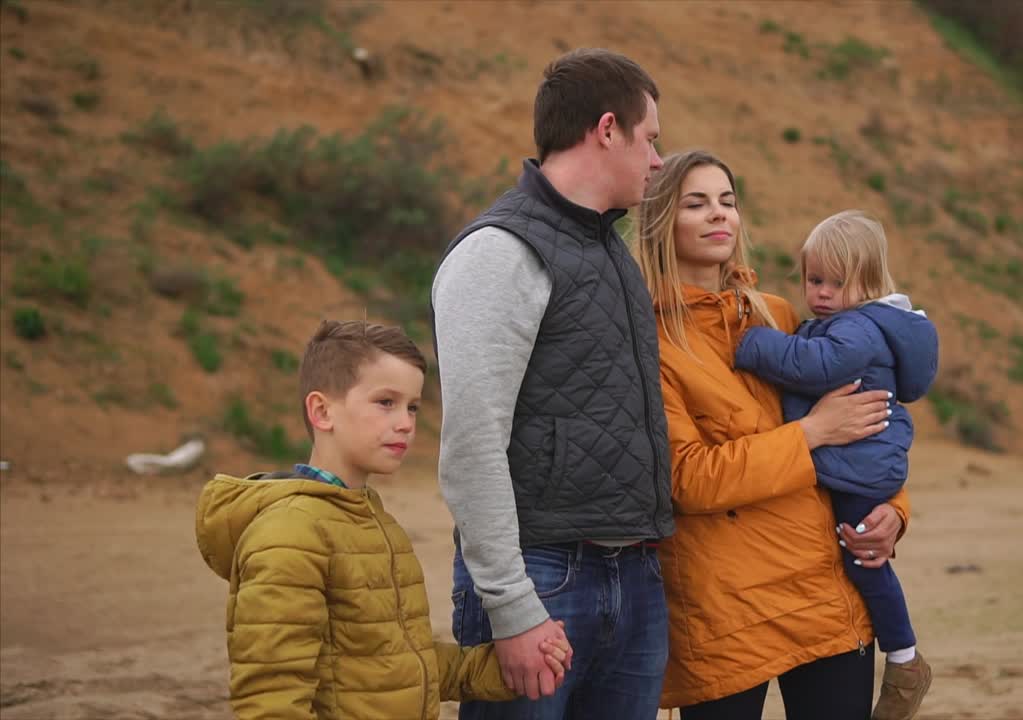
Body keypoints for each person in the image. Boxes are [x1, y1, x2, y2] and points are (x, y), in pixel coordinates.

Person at [431, 48, 674, 720]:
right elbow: (471, 445)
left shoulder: (613, 253)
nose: (658, 161)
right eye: (650, 139)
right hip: (542, 578)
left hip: (635, 575)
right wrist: (511, 608)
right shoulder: (500, 253)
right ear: (605, 129)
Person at [634, 150, 912, 720]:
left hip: (824, 598)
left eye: (728, 202)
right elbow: (688, 480)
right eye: (697, 203)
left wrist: (893, 512)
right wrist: (809, 432)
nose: (719, 216)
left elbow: (868, 420)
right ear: (663, 221)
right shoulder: (649, 341)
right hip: (725, 613)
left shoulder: (780, 315)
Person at [195, 320, 568, 719]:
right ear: (322, 411)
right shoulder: (290, 532)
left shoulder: (375, 522)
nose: (406, 423)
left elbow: (396, 663)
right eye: (385, 402)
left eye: (412, 406)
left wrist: (505, 667)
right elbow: (271, 696)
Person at [734, 210, 938, 720]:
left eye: (835, 282)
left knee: (861, 558)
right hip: (861, 464)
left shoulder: (858, 329)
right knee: (861, 556)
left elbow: (814, 366)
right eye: (813, 279)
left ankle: (905, 659)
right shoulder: (851, 323)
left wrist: (756, 344)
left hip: (859, 469)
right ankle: (904, 656)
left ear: (867, 283)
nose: (820, 292)